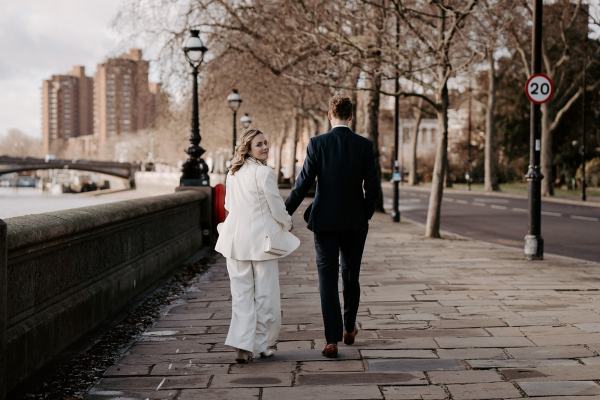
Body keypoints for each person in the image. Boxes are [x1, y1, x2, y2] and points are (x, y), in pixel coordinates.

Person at [285, 95, 378, 358]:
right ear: (351, 117)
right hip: (355, 223)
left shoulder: (317, 144)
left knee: (327, 278)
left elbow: (302, 185)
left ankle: (331, 340)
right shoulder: (364, 146)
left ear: (330, 115)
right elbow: (372, 189)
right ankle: (349, 327)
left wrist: (283, 214)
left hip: (324, 221)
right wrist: (364, 215)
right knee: (351, 275)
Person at [215, 129, 300, 363]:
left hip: (234, 241)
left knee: (241, 295)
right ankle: (262, 344)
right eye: (259, 144)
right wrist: (287, 223)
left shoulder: (232, 174)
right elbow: (276, 207)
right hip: (261, 243)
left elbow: (229, 206)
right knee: (266, 295)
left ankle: (242, 345)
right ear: (248, 148)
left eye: (266, 143)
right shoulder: (264, 173)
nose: (265, 147)